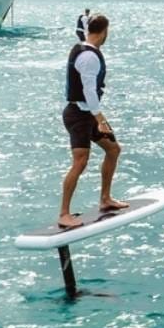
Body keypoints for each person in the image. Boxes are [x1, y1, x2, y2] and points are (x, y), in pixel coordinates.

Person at [60, 13, 128, 228]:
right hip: (79, 116)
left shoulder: (84, 46)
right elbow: (89, 91)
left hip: (88, 114)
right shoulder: (89, 57)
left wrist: (97, 117)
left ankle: (105, 200)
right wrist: (100, 118)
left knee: (113, 149)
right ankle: (64, 214)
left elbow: (81, 27)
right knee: (80, 162)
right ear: (105, 31)